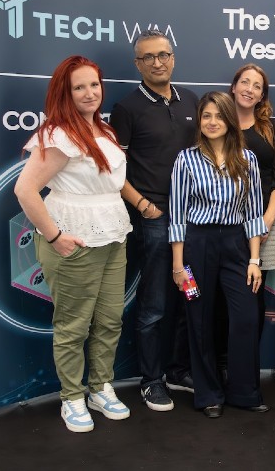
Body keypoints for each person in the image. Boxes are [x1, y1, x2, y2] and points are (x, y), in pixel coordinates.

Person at [14, 55, 132, 433]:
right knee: (73, 325)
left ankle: (100, 387)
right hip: (74, 238)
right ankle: (72, 397)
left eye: (94, 85)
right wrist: (54, 235)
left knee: (110, 319)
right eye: (79, 87)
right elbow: (25, 189)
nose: (89, 93)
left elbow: (110, 183)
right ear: (64, 93)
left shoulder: (105, 132)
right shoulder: (58, 135)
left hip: (113, 235)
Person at [110, 29, 198, 412]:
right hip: (155, 217)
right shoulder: (127, 108)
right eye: (149, 57)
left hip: (194, 216)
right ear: (138, 64)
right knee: (154, 304)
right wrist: (144, 205)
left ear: (173, 57)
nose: (158, 62)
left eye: (164, 55)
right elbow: (113, 170)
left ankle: (178, 370)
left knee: (188, 297)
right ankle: (151, 380)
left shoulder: (191, 101)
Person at [169, 91, 270, 418]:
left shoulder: (247, 159)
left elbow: (254, 213)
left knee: (245, 317)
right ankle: (208, 394)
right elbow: (177, 215)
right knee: (198, 318)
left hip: (236, 245)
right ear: (199, 120)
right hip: (196, 246)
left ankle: (244, 392)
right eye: (206, 116)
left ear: (230, 120)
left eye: (218, 116)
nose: (212, 122)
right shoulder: (186, 159)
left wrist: (254, 260)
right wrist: (178, 265)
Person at [213, 64, 275, 375]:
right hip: (223, 226)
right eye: (244, 82)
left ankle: (243, 370)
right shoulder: (218, 124)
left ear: (262, 95)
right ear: (233, 86)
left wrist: (266, 221)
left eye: (256, 86)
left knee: (252, 296)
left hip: (264, 224)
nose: (249, 88)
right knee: (218, 298)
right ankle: (218, 366)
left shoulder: (272, 128)